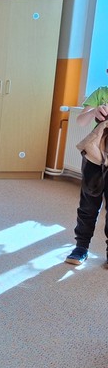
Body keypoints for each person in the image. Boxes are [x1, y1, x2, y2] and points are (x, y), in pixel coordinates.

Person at [65, 83, 108, 266]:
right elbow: (81, 121)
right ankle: (81, 247)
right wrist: (94, 112)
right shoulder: (101, 92)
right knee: (88, 204)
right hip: (95, 156)